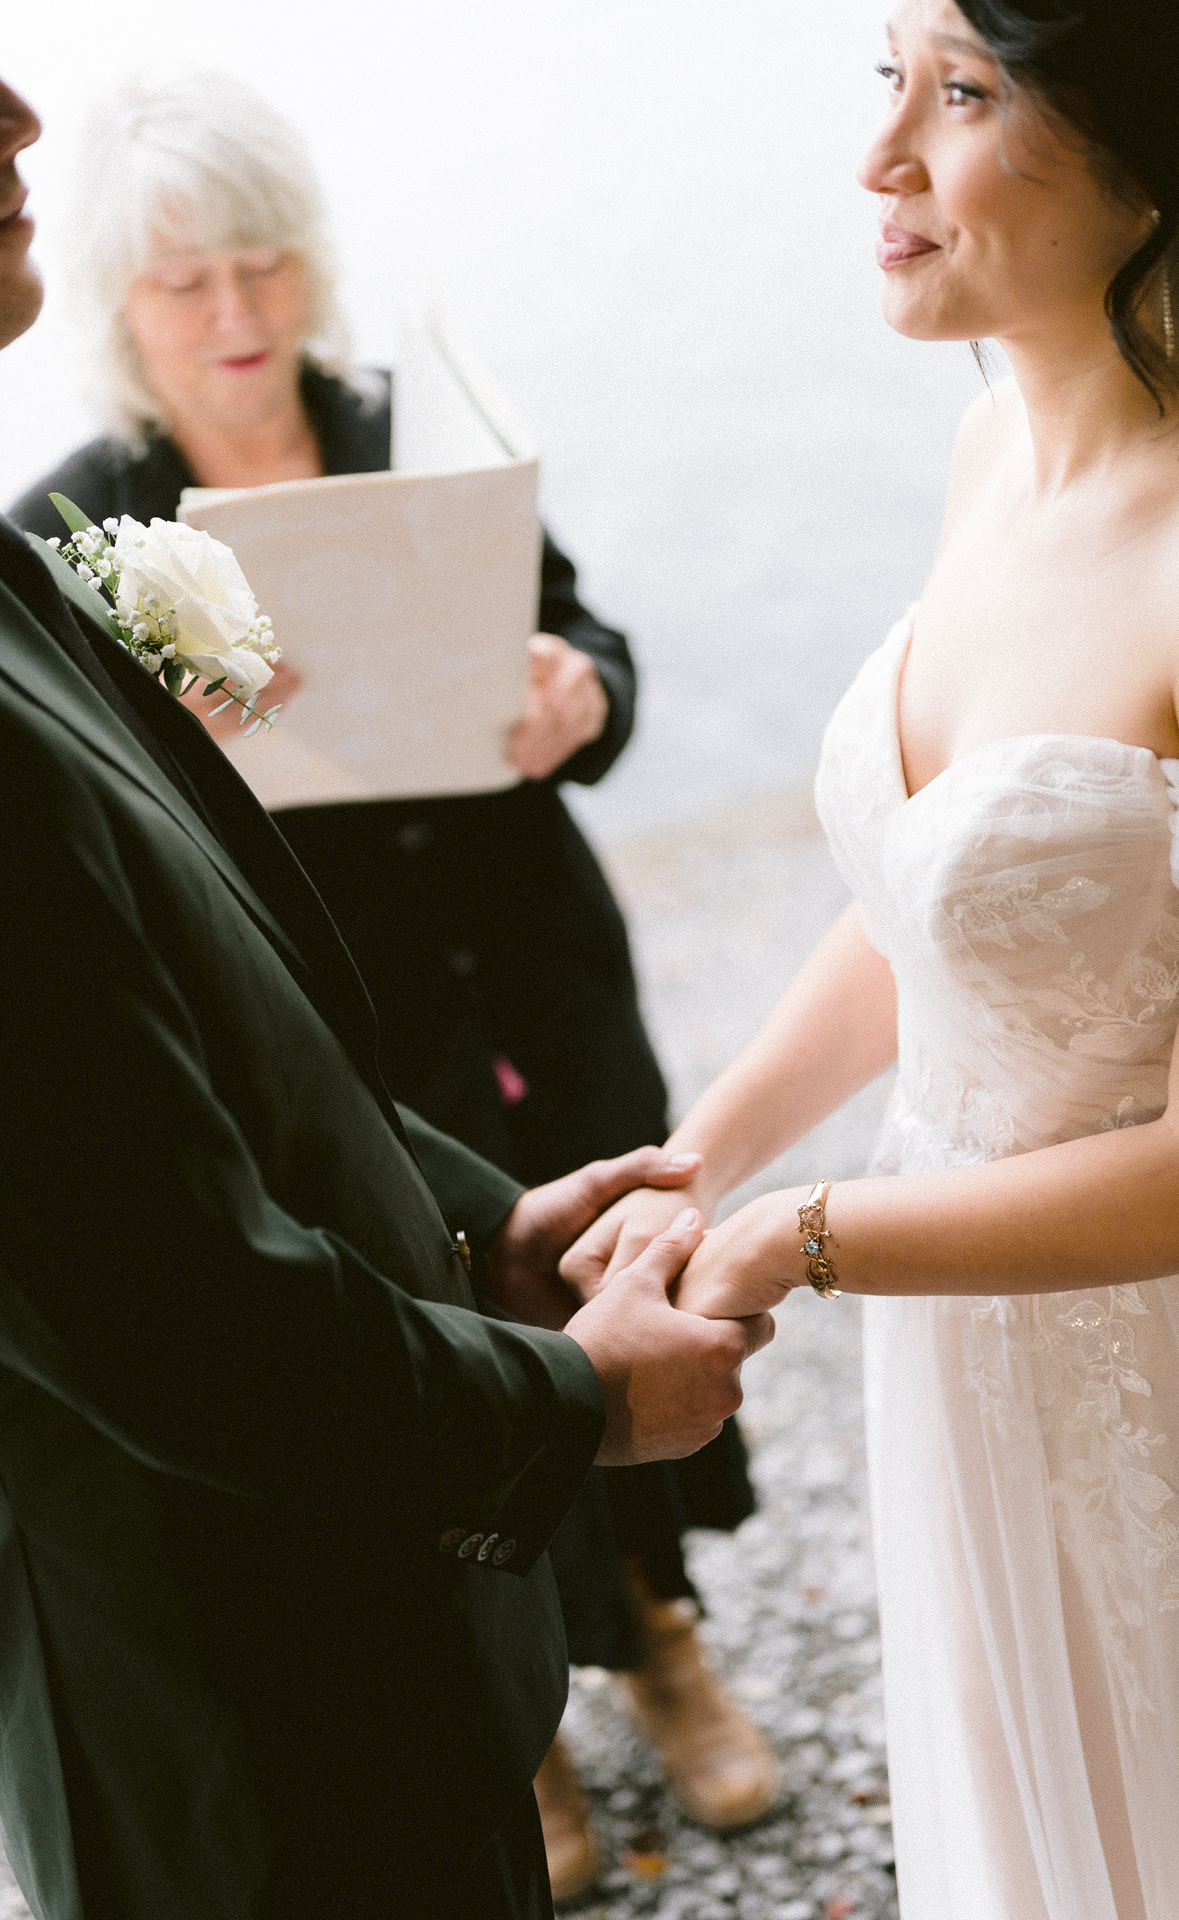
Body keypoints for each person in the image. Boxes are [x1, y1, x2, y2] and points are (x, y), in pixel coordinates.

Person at [0, 11, 774, 1919]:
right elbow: (152, 1287)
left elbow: (180, 1072)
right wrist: (573, 1403)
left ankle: (658, 1646)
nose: (13, 109)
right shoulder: (10, 591)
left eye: (260, 260)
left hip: (492, 1011)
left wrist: (477, 1224)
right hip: (219, 1669)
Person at [563, 4, 1179, 1916]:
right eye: (885, 79)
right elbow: (941, 899)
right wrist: (709, 1154)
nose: (881, 158)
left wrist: (802, 1239)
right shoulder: (995, 447)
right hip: (973, 1359)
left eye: (968, 93)